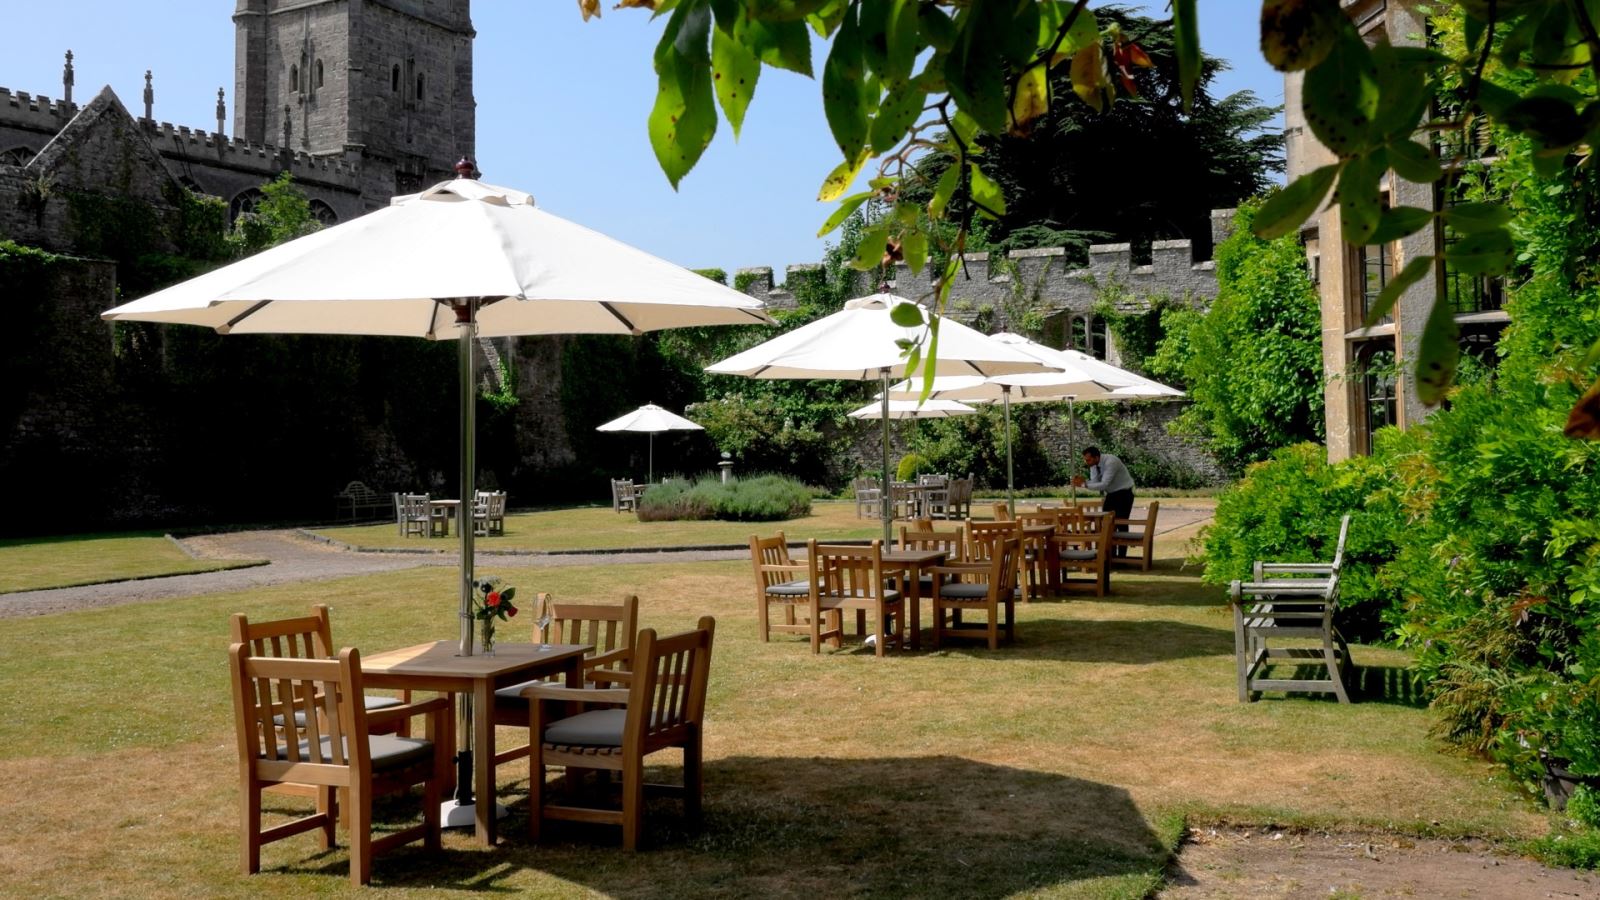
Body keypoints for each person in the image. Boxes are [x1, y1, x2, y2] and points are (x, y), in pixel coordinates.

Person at [1071, 446, 1134, 555]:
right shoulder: (1094, 465)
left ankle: (1122, 557)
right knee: (1107, 524)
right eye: (1085, 460)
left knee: (1121, 524)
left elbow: (1104, 484)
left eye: (1088, 460)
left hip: (1124, 493)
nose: (1086, 462)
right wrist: (1084, 482)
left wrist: (1083, 485)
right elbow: (1095, 481)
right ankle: (1110, 556)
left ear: (1096, 457)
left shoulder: (1111, 462)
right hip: (1111, 494)